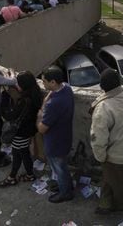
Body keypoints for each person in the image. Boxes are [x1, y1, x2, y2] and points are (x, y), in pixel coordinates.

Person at [90, 68, 123, 214]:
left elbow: (98, 139)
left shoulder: (103, 108)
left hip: (115, 154)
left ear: (102, 87)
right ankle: (105, 203)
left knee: (115, 182)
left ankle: (121, 205)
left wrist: (100, 157)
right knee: (110, 177)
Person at [0, 71, 43, 187]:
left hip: (20, 132)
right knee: (23, 152)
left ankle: (13, 177)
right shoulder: (35, 95)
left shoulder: (24, 101)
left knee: (19, 153)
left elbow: (10, 116)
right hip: (29, 130)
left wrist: (4, 98)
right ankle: (27, 174)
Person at [37, 66, 75, 203]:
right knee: (62, 167)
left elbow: (41, 129)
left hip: (55, 142)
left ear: (53, 82)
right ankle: (67, 186)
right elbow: (52, 94)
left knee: (59, 169)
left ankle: (65, 193)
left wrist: (41, 111)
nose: (43, 84)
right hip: (65, 137)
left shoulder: (54, 104)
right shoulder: (66, 88)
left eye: (45, 81)